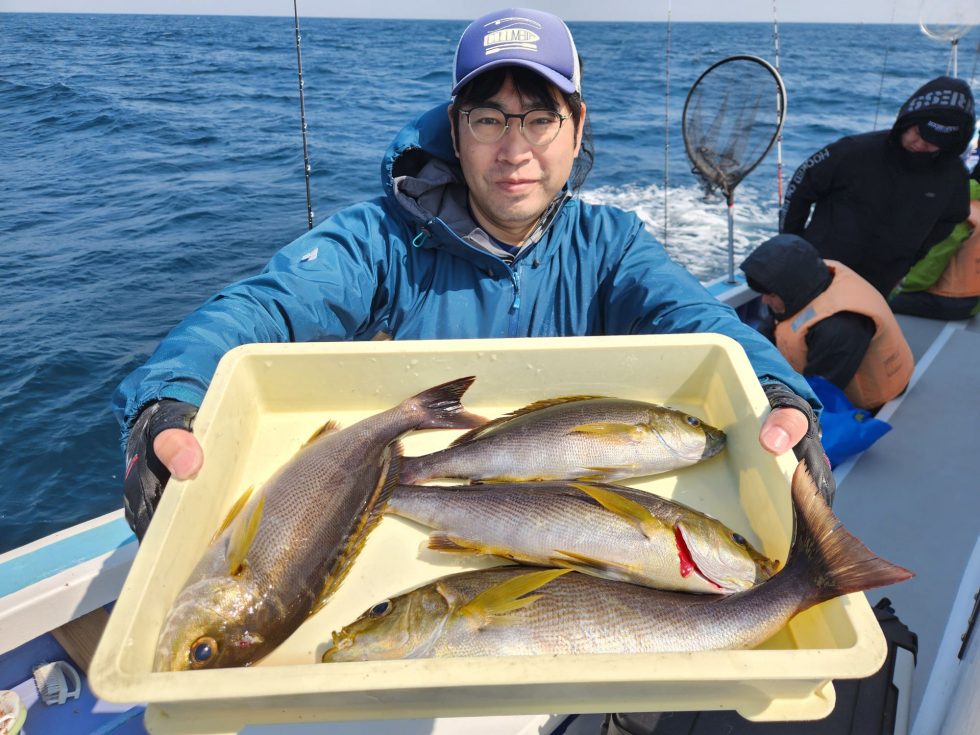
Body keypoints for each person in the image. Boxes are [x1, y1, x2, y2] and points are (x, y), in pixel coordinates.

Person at [114, 7, 832, 541]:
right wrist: (170, 401)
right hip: (404, 531)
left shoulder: (610, 244)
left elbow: (699, 322)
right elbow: (264, 308)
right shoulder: (382, 240)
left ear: (576, 128)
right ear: (455, 131)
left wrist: (775, 391)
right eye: (489, 119)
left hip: (564, 525)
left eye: (539, 117)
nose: (514, 149)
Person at [780, 76, 975, 297]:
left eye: (933, 142)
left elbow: (951, 218)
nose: (920, 144)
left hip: (881, 280)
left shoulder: (954, 175)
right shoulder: (853, 151)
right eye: (919, 134)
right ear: (907, 121)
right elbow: (801, 186)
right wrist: (791, 242)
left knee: (854, 331)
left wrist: (912, 258)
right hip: (818, 267)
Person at [741, 234, 914, 411]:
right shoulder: (808, 282)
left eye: (770, 295)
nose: (764, 301)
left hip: (869, 399)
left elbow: (817, 394)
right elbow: (773, 325)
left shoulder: (840, 327)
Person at [889, 155, 980, 320]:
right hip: (974, 302)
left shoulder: (962, 209)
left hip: (948, 300)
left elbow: (933, 263)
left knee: (873, 295)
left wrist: (899, 285)